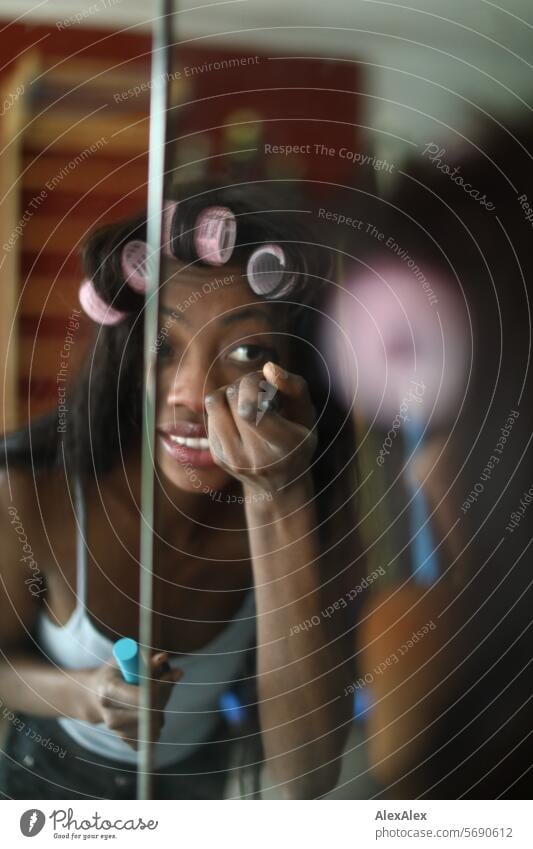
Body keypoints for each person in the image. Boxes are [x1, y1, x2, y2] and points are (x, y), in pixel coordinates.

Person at [0, 182, 361, 800]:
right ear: (126, 354)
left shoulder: (314, 514)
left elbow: (308, 776)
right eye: (164, 348)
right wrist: (83, 694)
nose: (190, 395)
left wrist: (277, 500)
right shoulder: (35, 491)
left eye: (247, 351)